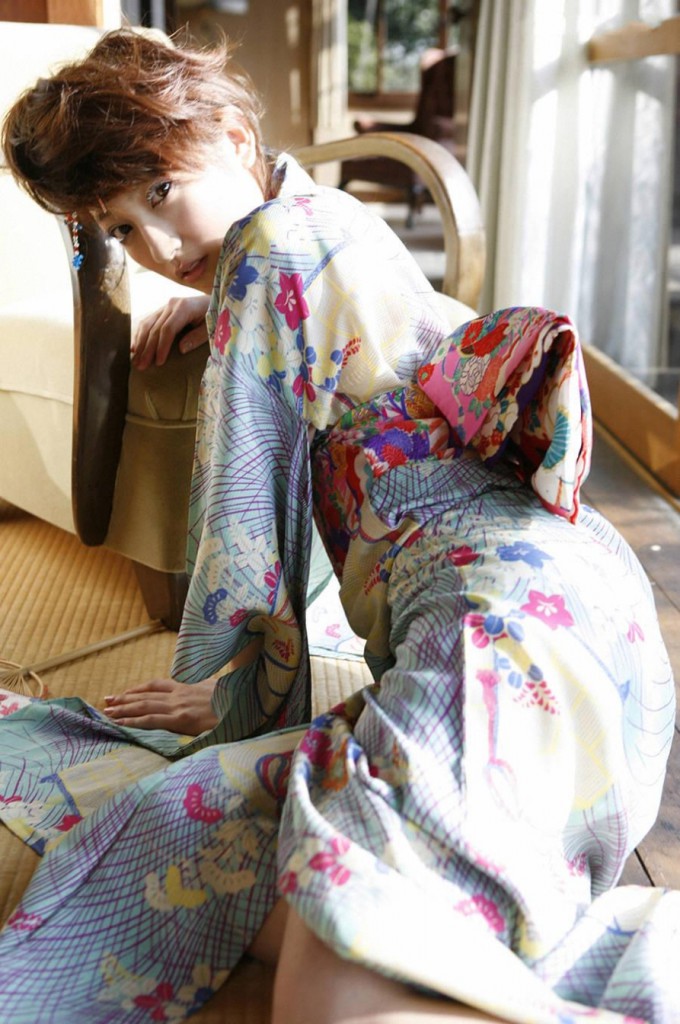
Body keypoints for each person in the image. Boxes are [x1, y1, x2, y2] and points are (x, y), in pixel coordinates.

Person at [0, 26, 678, 1024]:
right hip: (587, 620)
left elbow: (242, 532)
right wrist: (220, 298)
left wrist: (230, 691)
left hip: (493, 636)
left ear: (237, 139)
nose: (159, 248)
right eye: (121, 228)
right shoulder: (323, 224)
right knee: (212, 857)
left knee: (327, 993)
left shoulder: (266, 258)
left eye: (161, 192)